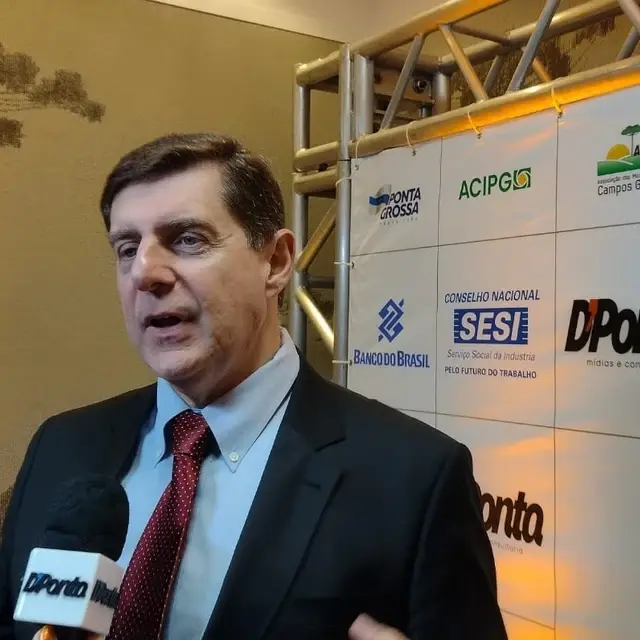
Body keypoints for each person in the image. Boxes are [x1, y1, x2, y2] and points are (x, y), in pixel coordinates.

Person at [0, 133, 508, 640]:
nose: (145, 273)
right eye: (127, 249)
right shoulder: (60, 448)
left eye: (188, 239)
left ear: (277, 262)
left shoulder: (413, 478)